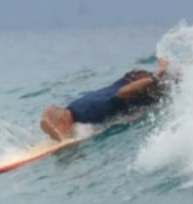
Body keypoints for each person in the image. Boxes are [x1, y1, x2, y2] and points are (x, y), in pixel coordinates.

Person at [39, 58, 170, 141]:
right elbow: (54, 111)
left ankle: (162, 72)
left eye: (57, 129)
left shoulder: (88, 113)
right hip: (132, 78)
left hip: (144, 88)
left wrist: (157, 75)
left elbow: (123, 93)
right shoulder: (71, 109)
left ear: (64, 122)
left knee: (179, 82)